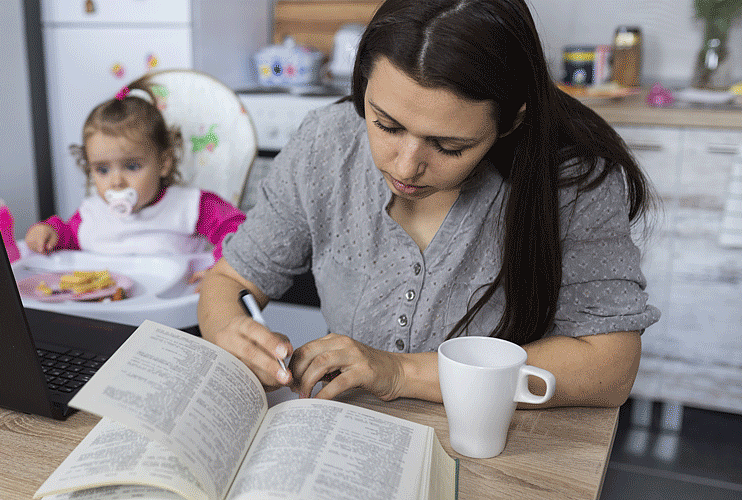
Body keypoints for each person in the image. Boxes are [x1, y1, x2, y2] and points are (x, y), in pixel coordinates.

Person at [198, 0, 660, 408]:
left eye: (449, 146)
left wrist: (400, 372)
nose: (406, 166)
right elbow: (231, 279)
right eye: (386, 124)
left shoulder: (571, 181)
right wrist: (228, 330)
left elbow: (611, 365)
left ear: (511, 120)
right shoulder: (327, 143)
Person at [25, 80, 246, 285]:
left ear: (163, 163)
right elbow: (69, 237)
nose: (116, 181)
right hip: (109, 311)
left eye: (131, 166)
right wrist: (50, 233)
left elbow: (239, 232)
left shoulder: (191, 206)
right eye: (102, 169)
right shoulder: (91, 214)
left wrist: (221, 271)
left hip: (172, 312)